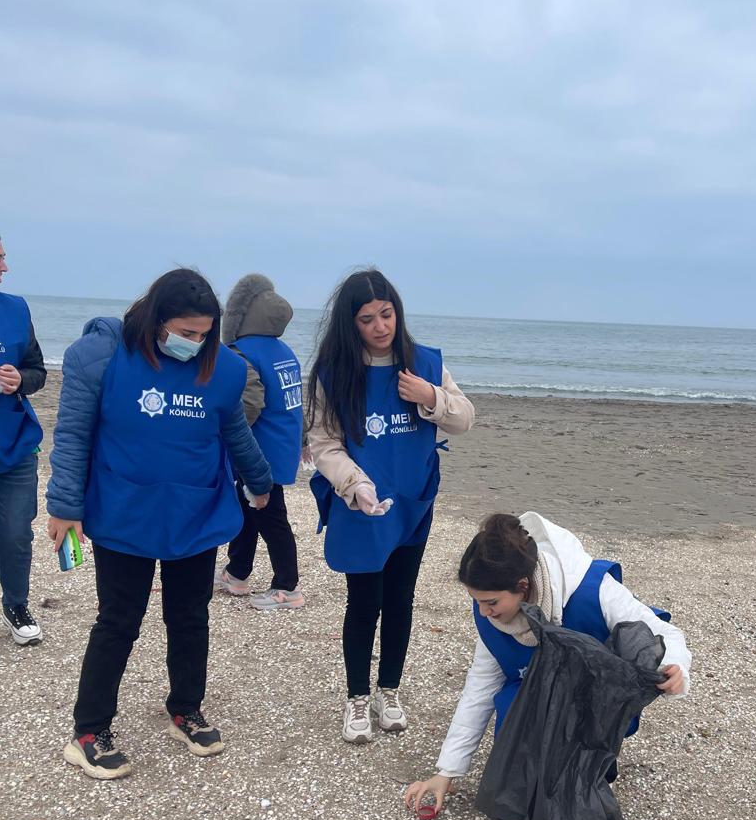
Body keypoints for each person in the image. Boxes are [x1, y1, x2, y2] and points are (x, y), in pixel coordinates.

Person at [46, 268, 273, 781]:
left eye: (203, 334)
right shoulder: (100, 359)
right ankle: (90, 731)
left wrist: (260, 482)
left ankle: (185, 708)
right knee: (119, 620)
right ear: (156, 320)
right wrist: (64, 506)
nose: (194, 343)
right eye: (185, 332)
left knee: (190, 615)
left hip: (196, 511)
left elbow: (234, 432)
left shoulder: (223, 370)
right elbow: (74, 436)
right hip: (124, 510)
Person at [404, 511, 691, 815]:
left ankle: (594, 768)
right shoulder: (492, 618)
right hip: (532, 688)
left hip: (593, 693)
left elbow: (663, 632)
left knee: (569, 762)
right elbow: (479, 690)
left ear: (523, 585)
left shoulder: (591, 589)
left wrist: (676, 667)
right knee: (520, 759)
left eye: (491, 602)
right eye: (477, 601)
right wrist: (446, 772)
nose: (484, 612)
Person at [305, 269, 475, 743]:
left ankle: (390, 690)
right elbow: (324, 443)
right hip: (362, 505)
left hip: (413, 503)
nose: (381, 327)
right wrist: (354, 485)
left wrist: (432, 398)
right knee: (364, 601)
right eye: (367, 319)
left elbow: (465, 418)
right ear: (350, 324)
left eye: (387, 314)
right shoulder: (334, 374)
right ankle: (357, 698)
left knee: (401, 599)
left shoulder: (423, 362)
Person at [216, 273, 305, 610]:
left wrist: (226, 435)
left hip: (258, 450)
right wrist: (304, 437)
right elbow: (295, 400)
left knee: (271, 517)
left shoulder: (241, 353)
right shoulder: (285, 352)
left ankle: (288, 587)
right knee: (247, 509)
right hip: (283, 447)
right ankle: (237, 574)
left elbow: (250, 403)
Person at [0, 236, 48, 647]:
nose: (5, 268)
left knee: (16, 532)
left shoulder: (16, 308)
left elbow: (37, 370)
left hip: (16, 444)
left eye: (4, 258)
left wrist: (21, 381)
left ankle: (16, 603)